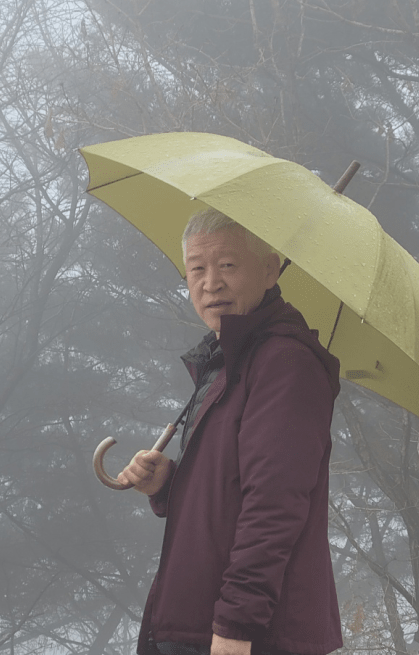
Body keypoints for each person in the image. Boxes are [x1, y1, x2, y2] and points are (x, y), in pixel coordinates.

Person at [118, 208, 343, 655]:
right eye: (196, 269)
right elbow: (229, 490)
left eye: (227, 265)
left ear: (270, 270)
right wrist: (168, 483)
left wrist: (237, 624)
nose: (211, 283)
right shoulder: (227, 361)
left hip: (247, 635)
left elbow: (274, 505)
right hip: (192, 623)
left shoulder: (285, 363)